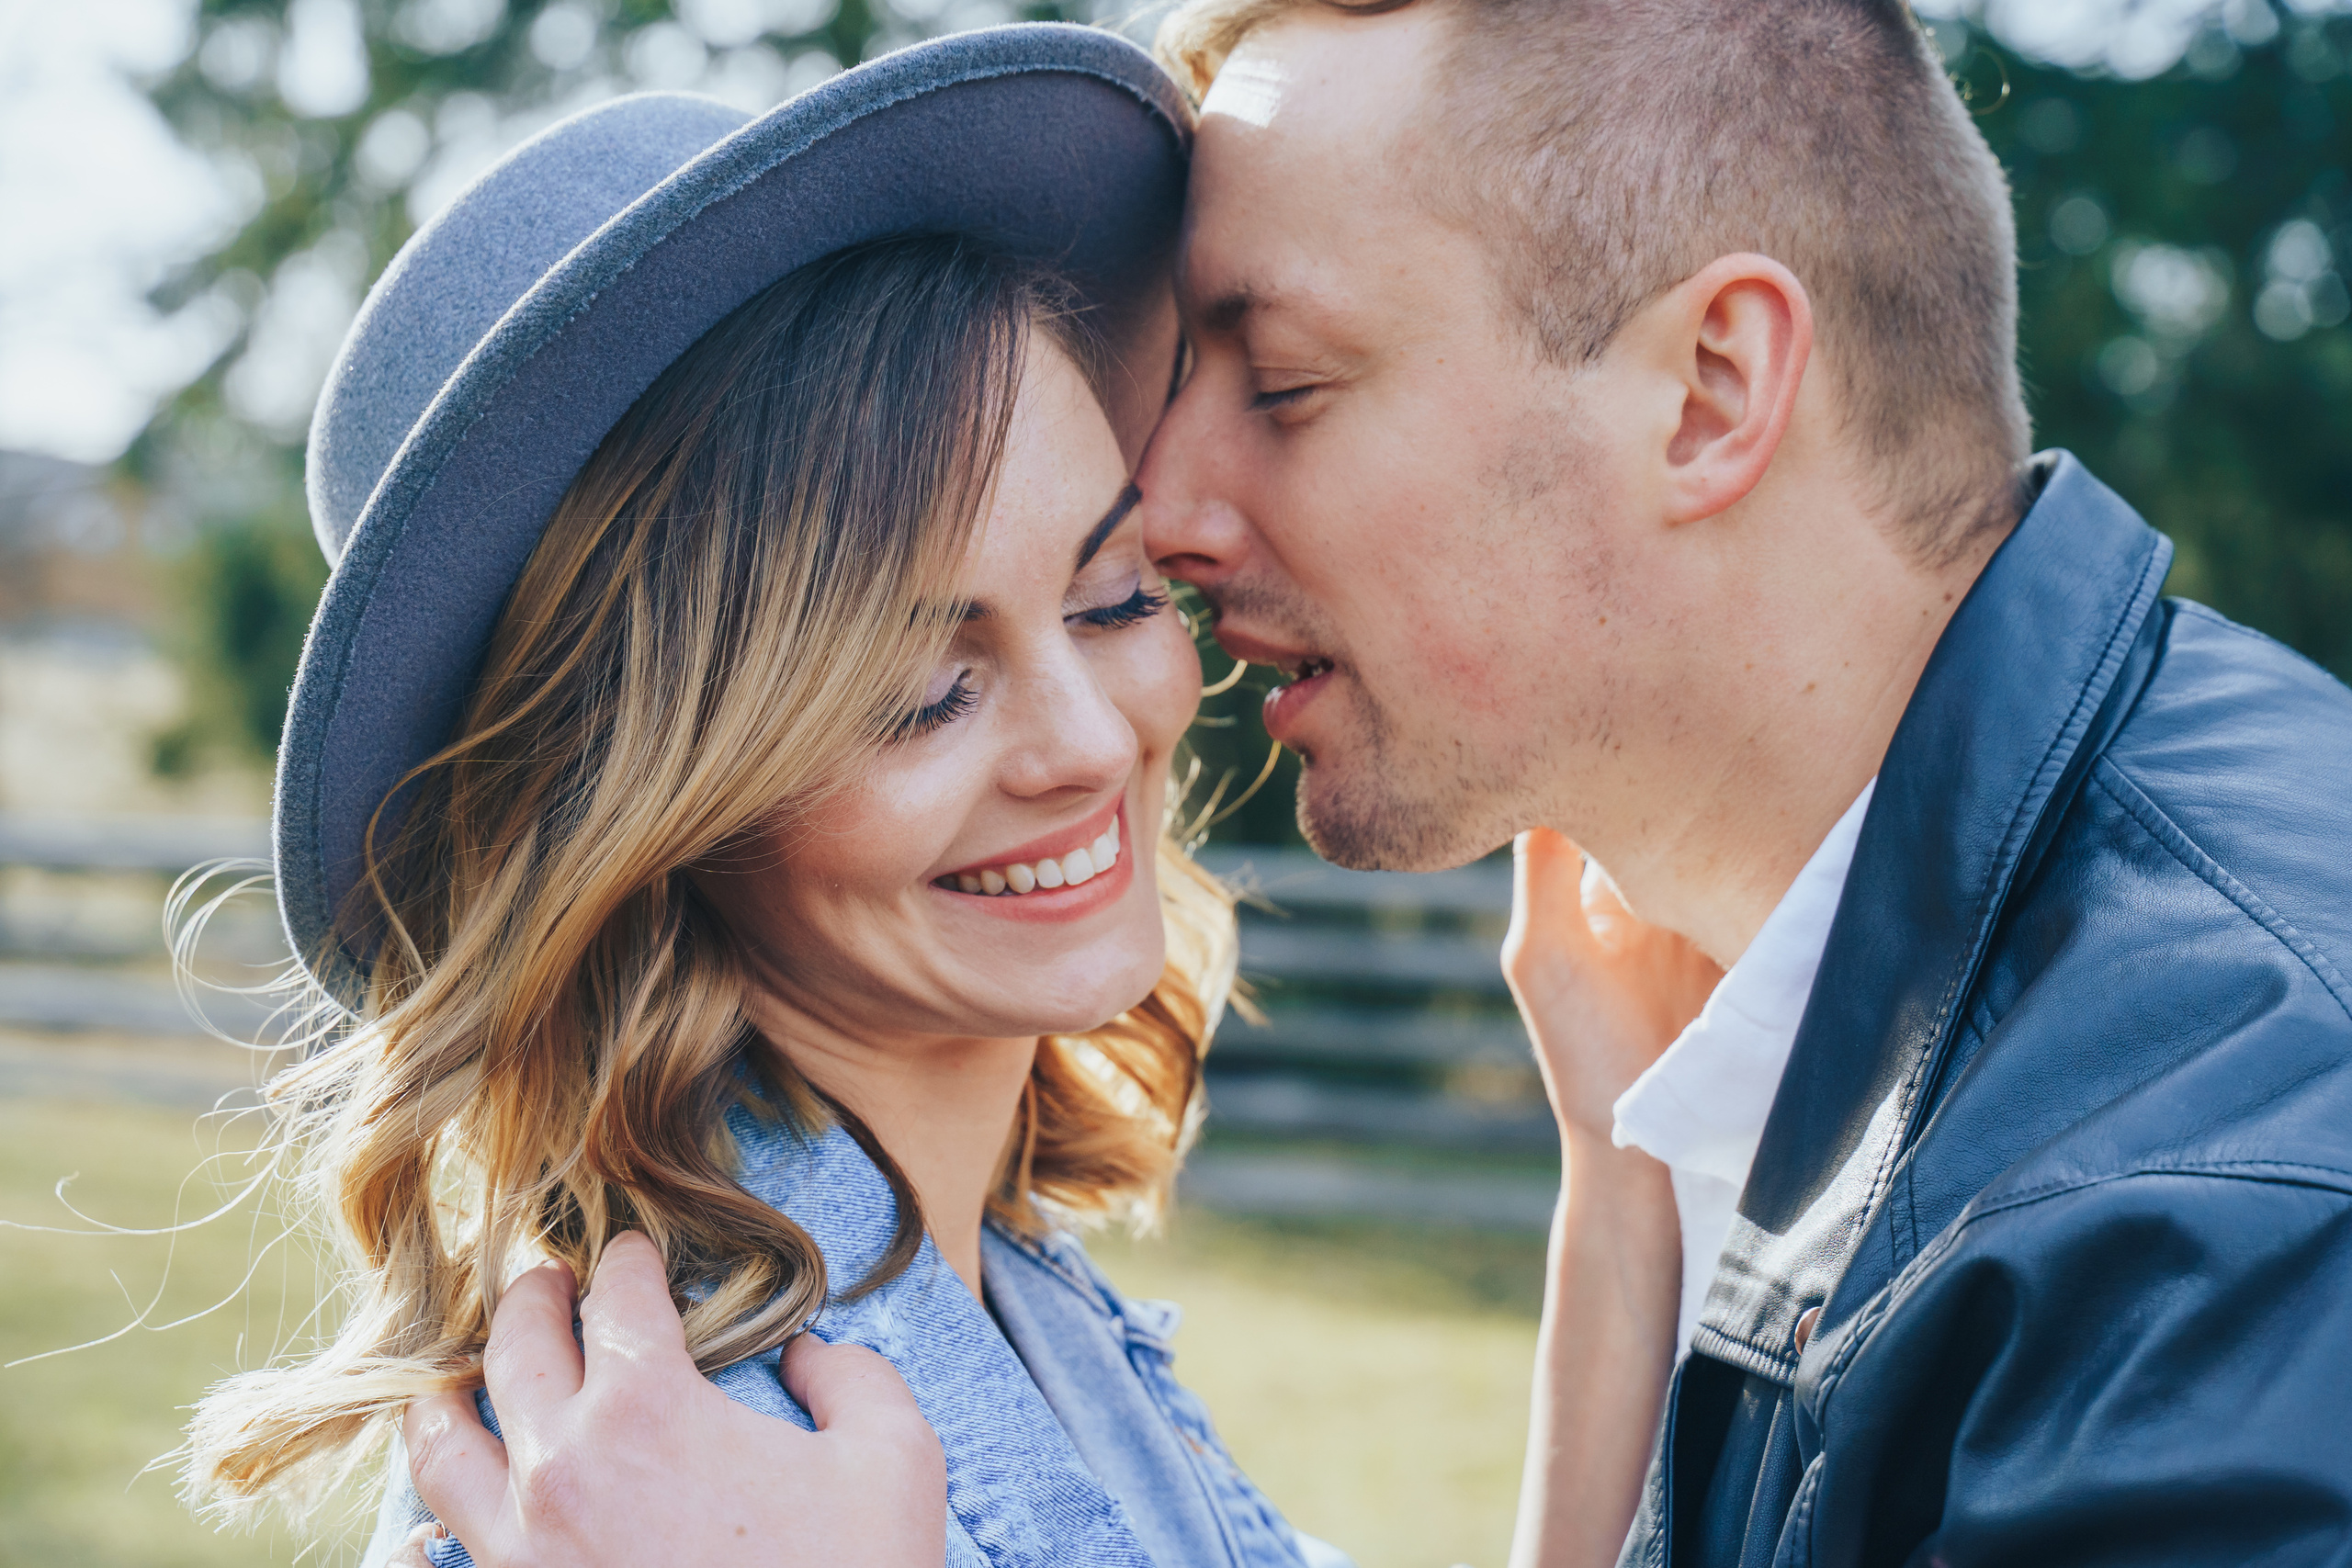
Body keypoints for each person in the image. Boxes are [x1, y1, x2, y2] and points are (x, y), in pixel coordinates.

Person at [400, 0, 2352, 1564]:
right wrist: (1632, 1192)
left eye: (1287, 380)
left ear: (1706, 388)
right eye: (916, 689)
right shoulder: (675, 1452)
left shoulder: (2195, 1218)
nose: (1171, 524)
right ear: (666, 786)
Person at [173, 27, 1531, 1568]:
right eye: (919, 695)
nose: (1087, 741)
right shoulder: (641, 1476)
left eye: (1111, 597)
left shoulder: (1005, 1287)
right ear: (647, 808)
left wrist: (1621, 1206)